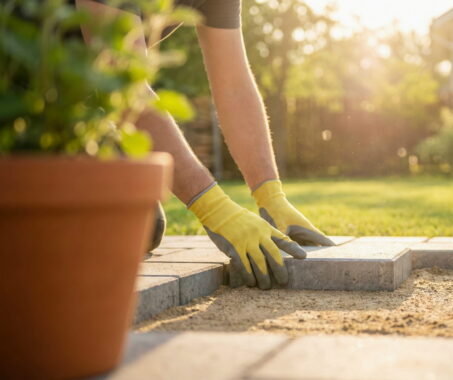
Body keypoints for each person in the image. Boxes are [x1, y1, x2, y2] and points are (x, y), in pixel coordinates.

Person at [77, 0, 335, 290]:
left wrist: (270, 195)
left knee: (139, 226)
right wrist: (213, 208)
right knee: (94, 228)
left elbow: (234, 87)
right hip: (26, 110)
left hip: (77, 108)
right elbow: (122, 79)